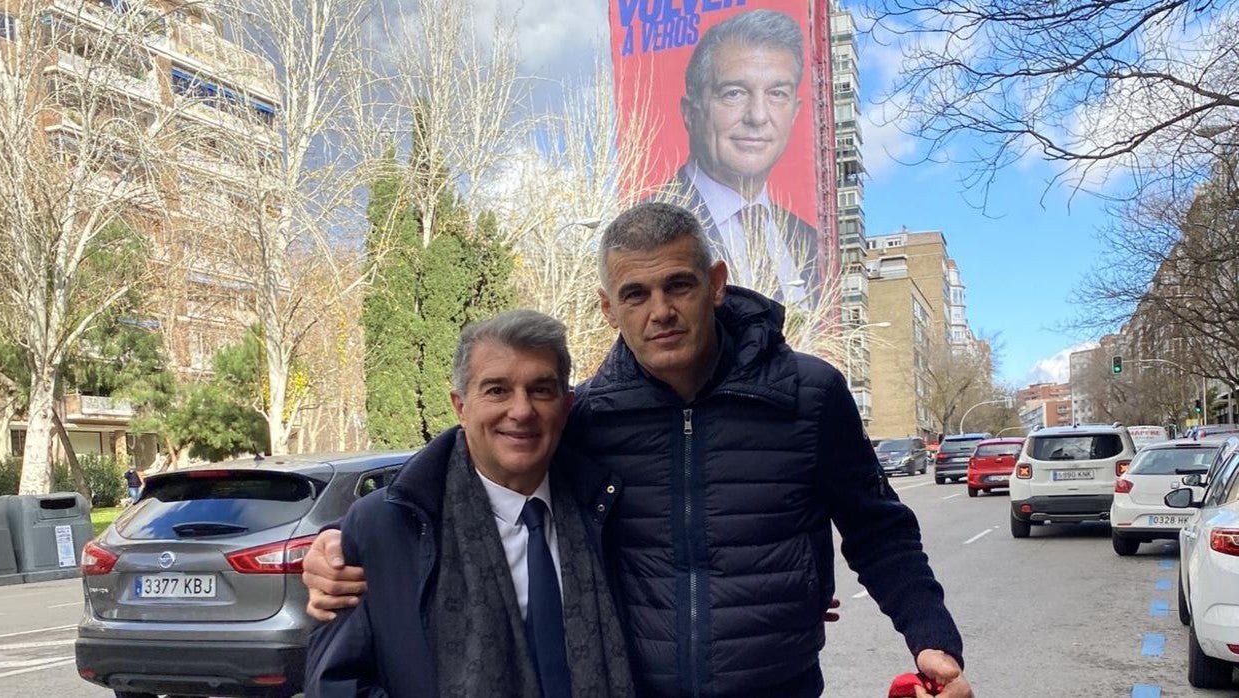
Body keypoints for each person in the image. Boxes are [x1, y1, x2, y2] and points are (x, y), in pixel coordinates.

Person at [305, 203, 971, 697]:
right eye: (636, 293)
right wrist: (343, 538)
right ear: (607, 308)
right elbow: (478, 460)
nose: (661, 311)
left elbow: (879, 530)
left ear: (715, 282)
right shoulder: (585, 416)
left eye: (678, 284)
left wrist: (931, 637)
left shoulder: (809, 394)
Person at [304, 310, 632, 697]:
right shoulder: (383, 529)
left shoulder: (605, 511)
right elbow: (336, 686)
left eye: (541, 389)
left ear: (566, 404)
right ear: (460, 406)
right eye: (497, 390)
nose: (522, 410)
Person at [652, 9, 820, 303]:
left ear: (796, 110)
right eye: (734, 93)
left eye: (777, 93)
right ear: (691, 112)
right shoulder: (651, 228)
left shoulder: (809, 240)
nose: (757, 116)